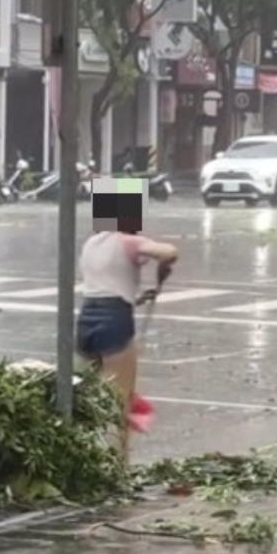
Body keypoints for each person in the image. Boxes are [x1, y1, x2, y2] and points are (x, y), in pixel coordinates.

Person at [76, 188, 178, 462]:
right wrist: (164, 261)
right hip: (115, 322)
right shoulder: (128, 242)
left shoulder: (91, 244)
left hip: (86, 319)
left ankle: (82, 452)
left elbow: (105, 284)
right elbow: (168, 252)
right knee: (120, 397)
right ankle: (118, 462)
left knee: (88, 393)